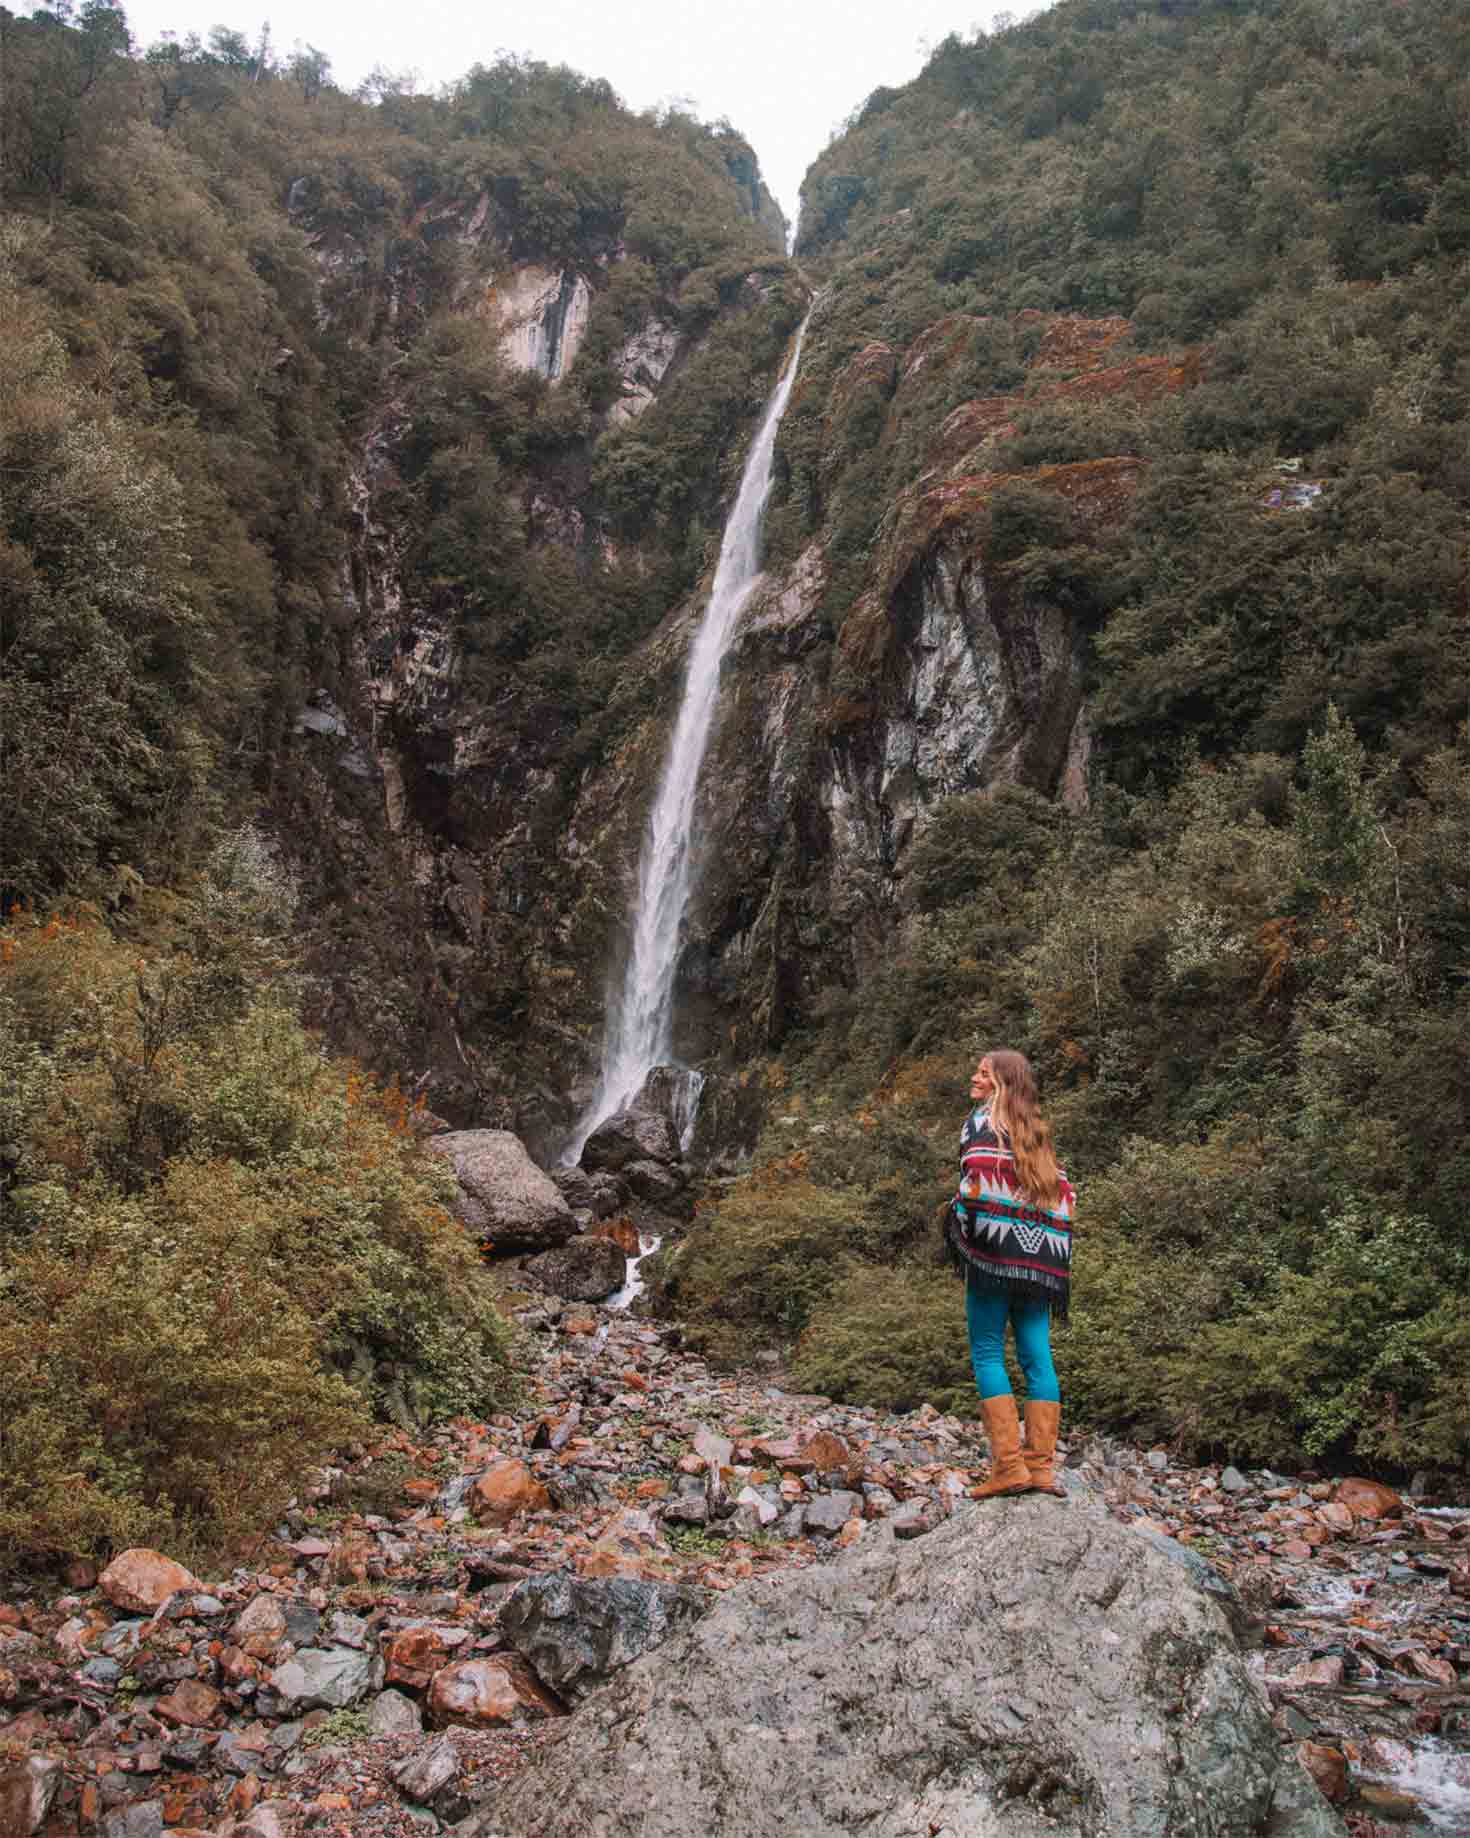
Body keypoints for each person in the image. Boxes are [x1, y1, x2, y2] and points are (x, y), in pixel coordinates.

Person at [944, 1050, 1074, 1499]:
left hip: (993, 1259)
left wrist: (959, 1218)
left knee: (986, 1351)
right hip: (1040, 1263)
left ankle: (1008, 1468)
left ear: (1001, 1082)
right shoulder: (1037, 1132)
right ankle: (1040, 1469)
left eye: (983, 1073)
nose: (974, 1078)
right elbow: (1061, 1195)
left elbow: (974, 1182)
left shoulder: (981, 1123)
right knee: (1038, 1356)